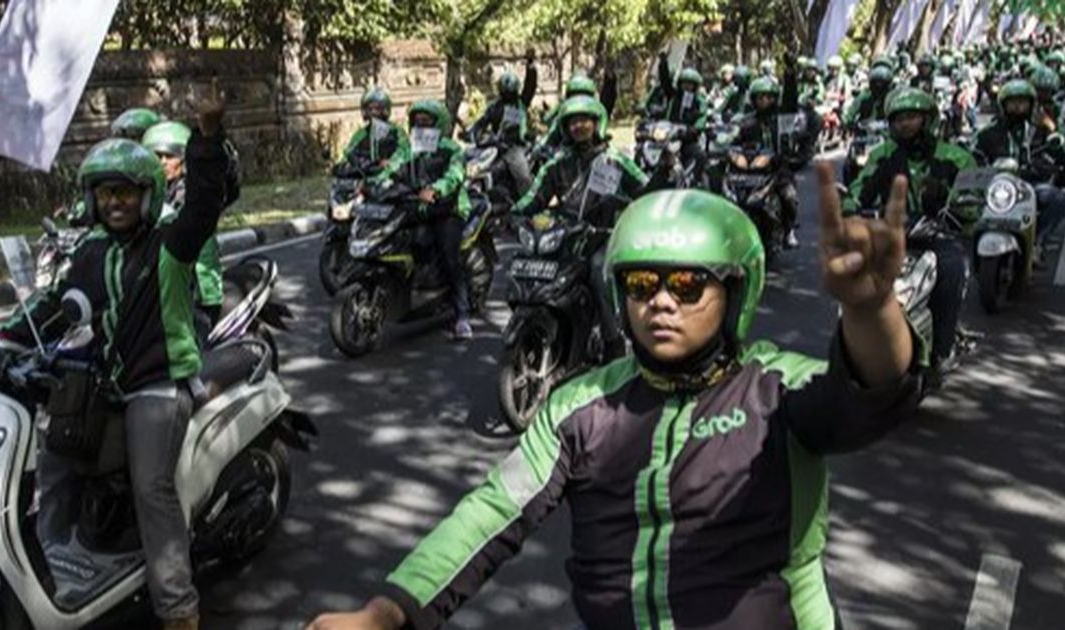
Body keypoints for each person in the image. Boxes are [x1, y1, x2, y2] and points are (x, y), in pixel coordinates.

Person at [306, 168, 921, 630]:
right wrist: (387, 611)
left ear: (735, 292)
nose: (661, 301)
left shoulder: (777, 389)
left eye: (686, 284)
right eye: (641, 282)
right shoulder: (583, 406)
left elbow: (870, 391)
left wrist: (870, 309)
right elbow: (491, 512)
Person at [0, 85, 230, 630]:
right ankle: (52, 568)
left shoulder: (170, 246)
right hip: (100, 384)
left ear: (147, 194)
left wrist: (209, 137)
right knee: (54, 462)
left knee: (153, 487)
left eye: (126, 192)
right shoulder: (88, 250)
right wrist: (1, 339)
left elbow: (204, 201)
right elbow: (52, 305)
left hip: (157, 384)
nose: (115, 203)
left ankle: (178, 607)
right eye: (106, 194)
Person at [845, 87, 976, 384]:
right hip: (890, 233)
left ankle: (941, 351)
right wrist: (849, 207)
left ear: (928, 119)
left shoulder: (956, 158)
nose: (905, 124)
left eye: (912, 117)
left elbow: (973, 200)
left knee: (952, 269)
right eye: (899, 119)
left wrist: (949, 198)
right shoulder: (882, 155)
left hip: (938, 235)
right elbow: (859, 189)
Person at [513, 95, 647, 360]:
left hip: (603, 235)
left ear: (597, 124)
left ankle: (613, 340)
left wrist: (650, 188)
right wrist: (515, 213)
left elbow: (643, 187)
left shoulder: (614, 161)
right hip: (567, 234)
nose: (579, 126)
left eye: (584, 120)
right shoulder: (557, 163)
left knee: (597, 271)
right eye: (573, 122)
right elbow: (535, 196)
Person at [375, 100, 474, 340]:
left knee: (450, 255)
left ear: (439, 123)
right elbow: (395, 165)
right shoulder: (410, 147)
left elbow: (455, 175)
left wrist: (437, 190)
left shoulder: (451, 148)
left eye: (427, 120)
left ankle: (462, 315)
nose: (421, 124)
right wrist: (377, 181)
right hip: (417, 207)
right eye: (417, 120)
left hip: (448, 209)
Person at [141, 120, 242, 333]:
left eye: (170, 156)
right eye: (157, 156)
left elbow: (220, 193)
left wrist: (219, 154)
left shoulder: (196, 194)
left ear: (184, 160)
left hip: (199, 287)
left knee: (196, 347)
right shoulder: (145, 195)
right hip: (158, 285)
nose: (163, 162)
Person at [971, 79, 1065, 257]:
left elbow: (1057, 154)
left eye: (1022, 102)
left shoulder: (1039, 131)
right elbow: (973, 153)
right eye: (1013, 102)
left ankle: (1038, 242)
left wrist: (1055, 139)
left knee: (1058, 199)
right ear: (1003, 105)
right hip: (995, 186)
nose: (1018, 107)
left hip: (1029, 185)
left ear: (1031, 105)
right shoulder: (987, 133)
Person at [732, 75, 804, 248]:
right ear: (754, 99)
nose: (764, 100)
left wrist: (790, 73)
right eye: (760, 97)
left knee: (789, 196)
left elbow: (791, 100)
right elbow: (733, 142)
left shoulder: (782, 118)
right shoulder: (747, 121)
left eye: (768, 96)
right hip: (750, 170)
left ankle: (788, 231)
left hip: (777, 168)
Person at [466, 59, 539, 197]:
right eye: (505, 92)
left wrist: (531, 66)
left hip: (516, 146)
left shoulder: (521, 102)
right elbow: (482, 121)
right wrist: (472, 132)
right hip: (496, 145)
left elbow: (530, 86)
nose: (507, 95)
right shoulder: (494, 107)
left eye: (510, 93)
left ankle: (528, 202)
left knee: (522, 176)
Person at [335, 87, 411, 178]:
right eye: (370, 109)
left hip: (389, 174)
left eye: (377, 109)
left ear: (385, 110)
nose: (373, 112)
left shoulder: (396, 131)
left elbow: (404, 151)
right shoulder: (362, 133)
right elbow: (349, 152)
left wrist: (391, 162)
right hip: (366, 172)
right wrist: (345, 163)